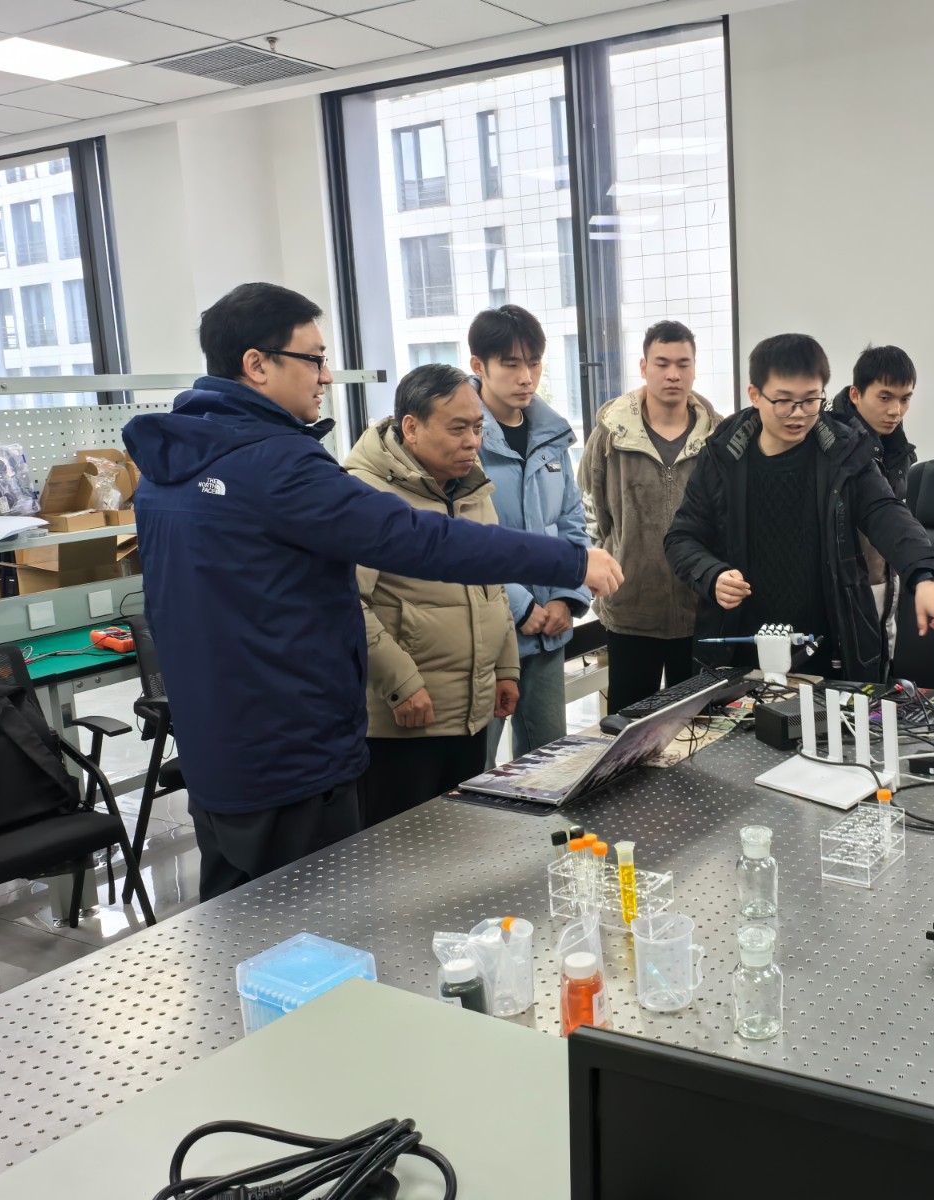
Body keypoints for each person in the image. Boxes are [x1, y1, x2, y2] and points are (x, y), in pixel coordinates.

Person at [124, 283, 622, 899]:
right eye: (313, 359)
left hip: (217, 752)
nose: (326, 375)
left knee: (238, 926)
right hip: (294, 755)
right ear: (256, 364)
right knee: (320, 925)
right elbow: (416, 539)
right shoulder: (277, 465)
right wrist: (571, 559)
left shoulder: (170, 463)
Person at [664, 333, 934, 683]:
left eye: (810, 400)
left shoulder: (844, 452)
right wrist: (712, 575)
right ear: (755, 394)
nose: (798, 414)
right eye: (784, 401)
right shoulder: (722, 456)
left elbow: (886, 513)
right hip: (739, 651)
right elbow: (681, 537)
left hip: (831, 651)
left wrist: (924, 575)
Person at [346, 363, 519, 826]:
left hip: (469, 714)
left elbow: (493, 585)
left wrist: (506, 668)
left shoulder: (472, 487)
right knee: (404, 851)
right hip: (403, 721)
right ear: (411, 427)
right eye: (457, 429)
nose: (472, 442)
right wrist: (401, 684)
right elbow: (345, 602)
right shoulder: (364, 494)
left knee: (461, 842)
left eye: (478, 428)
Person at [579, 320, 722, 711]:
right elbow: (591, 514)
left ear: (694, 368)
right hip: (631, 609)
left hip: (699, 610)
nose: (673, 374)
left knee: (699, 724)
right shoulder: (610, 434)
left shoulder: (719, 436)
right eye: (662, 363)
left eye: (682, 364)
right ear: (644, 367)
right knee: (629, 725)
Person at [470, 304, 592, 761]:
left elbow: (572, 522)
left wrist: (565, 597)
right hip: (488, 634)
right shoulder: (465, 436)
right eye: (511, 364)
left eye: (534, 363)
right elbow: (465, 538)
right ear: (479, 365)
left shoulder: (552, 435)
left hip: (549, 629)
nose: (526, 377)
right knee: (476, 766)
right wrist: (521, 606)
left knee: (550, 761)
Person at [826, 345, 918, 656]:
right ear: (855, 394)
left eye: (905, 399)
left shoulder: (897, 447)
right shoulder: (833, 446)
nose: (896, 411)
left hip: (884, 583)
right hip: (843, 590)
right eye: (885, 398)